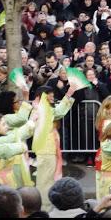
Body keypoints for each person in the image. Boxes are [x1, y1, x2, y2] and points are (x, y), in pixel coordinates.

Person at [32, 84, 77, 212]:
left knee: (48, 179)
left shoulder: (44, 110)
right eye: (50, 97)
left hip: (49, 148)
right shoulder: (40, 110)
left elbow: (57, 112)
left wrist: (68, 94)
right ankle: (44, 208)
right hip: (45, 150)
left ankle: (46, 207)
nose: (52, 98)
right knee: (45, 180)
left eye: (52, 96)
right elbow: (58, 112)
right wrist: (68, 94)